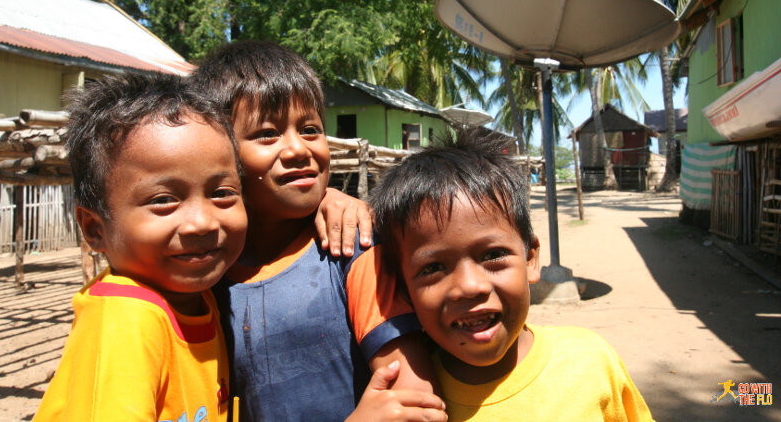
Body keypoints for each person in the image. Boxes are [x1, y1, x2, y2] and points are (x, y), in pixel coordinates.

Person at [191, 40, 444, 422]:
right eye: (265, 134)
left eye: (310, 129)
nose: (297, 149)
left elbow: (415, 400)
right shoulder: (203, 277)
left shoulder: (349, 248)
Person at [371, 127, 654, 421]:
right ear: (404, 289)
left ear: (531, 258)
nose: (470, 287)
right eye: (433, 269)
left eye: (493, 256)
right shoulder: (408, 404)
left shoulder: (591, 361)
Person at [34, 72, 249, 421]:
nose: (203, 222)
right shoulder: (127, 318)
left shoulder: (201, 296)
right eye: (164, 200)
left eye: (222, 193)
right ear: (94, 228)